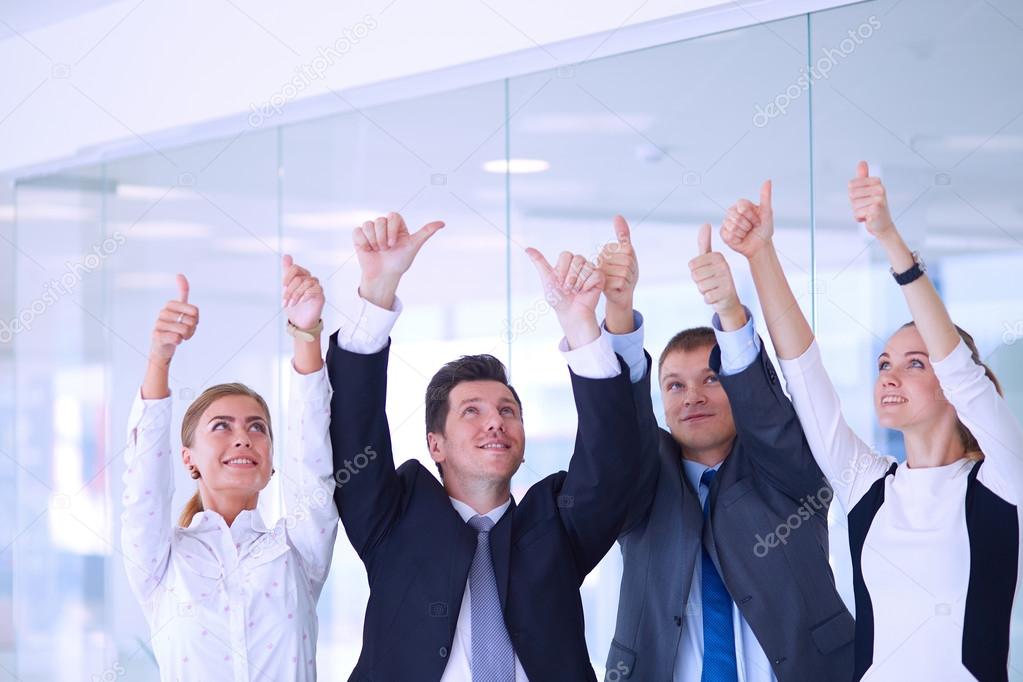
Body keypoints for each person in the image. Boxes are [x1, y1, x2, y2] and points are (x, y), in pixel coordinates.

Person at [721, 163, 1023, 681]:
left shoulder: (1003, 479)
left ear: (951, 386)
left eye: (914, 363)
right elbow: (805, 374)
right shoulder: (869, 486)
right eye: (884, 363)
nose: (890, 375)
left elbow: (962, 371)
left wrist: (889, 239)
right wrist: (761, 256)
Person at [325, 212, 657, 681]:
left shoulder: (556, 527)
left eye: (507, 411)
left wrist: (581, 325)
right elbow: (354, 429)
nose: (495, 423)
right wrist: (379, 291)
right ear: (434, 444)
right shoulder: (391, 520)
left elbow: (612, 460)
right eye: (471, 411)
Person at [599, 214, 854, 681]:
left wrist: (730, 314)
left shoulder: (787, 469)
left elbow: (767, 415)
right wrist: (619, 312)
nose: (692, 396)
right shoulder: (642, 482)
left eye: (711, 379)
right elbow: (618, 425)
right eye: (674, 386)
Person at [121, 257, 339, 680]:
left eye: (257, 428)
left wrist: (307, 334)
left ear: (273, 463)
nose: (243, 438)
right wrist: (159, 360)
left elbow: (310, 452)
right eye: (221, 427)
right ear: (189, 459)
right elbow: (144, 480)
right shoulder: (164, 562)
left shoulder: (296, 551)